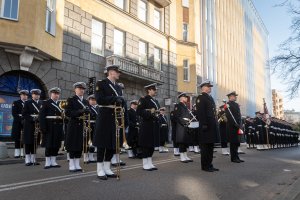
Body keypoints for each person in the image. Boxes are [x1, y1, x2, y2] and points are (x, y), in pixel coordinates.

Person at [94, 65, 127, 180]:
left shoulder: (118, 87)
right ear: (111, 72)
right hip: (104, 115)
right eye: (117, 72)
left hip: (115, 116)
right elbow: (99, 99)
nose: (119, 74)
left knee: (112, 144)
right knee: (102, 143)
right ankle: (99, 169)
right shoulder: (101, 83)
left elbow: (120, 101)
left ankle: (107, 168)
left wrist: (121, 102)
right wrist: (114, 99)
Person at [65, 82, 90, 172]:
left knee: (80, 145)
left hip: (82, 125)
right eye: (79, 89)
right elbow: (67, 113)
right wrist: (80, 111)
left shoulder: (86, 101)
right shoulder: (71, 99)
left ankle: (77, 164)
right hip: (74, 125)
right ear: (75, 89)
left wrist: (88, 112)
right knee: (73, 145)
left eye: (83, 89)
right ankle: (72, 164)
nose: (81, 90)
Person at [195, 80, 219, 172]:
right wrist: (204, 124)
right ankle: (205, 166)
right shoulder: (201, 97)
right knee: (205, 147)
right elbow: (201, 112)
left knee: (210, 146)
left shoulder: (210, 98)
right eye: (208, 86)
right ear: (203, 88)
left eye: (210, 87)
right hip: (205, 126)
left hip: (211, 125)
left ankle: (210, 164)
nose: (210, 88)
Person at [137, 83, 160, 171]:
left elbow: (156, 111)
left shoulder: (155, 101)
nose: (155, 91)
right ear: (149, 90)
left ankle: (150, 162)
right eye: (154, 90)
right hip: (146, 125)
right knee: (146, 145)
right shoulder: (144, 99)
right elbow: (139, 111)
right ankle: (145, 163)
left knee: (151, 145)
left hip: (154, 124)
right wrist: (149, 113)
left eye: (155, 90)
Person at [39, 87, 64, 169]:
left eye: (57, 94)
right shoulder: (46, 103)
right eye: (54, 93)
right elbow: (41, 116)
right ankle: (47, 162)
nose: (56, 95)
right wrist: (43, 127)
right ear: (51, 94)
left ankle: (53, 161)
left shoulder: (61, 104)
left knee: (56, 145)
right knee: (49, 144)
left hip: (58, 126)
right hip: (49, 126)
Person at [22, 89, 42, 166]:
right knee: (28, 142)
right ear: (32, 95)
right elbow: (24, 114)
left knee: (35, 141)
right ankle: (27, 160)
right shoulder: (28, 102)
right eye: (35, 94)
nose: (37, 96)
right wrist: (32, 119)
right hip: (29, 125)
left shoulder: (41, 103)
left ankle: (33, 159)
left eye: (38, 94)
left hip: (37, 125)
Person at [225, 91, 244, 163]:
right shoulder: (228, 105)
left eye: (235, 96)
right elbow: (229, 116)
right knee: (233, 142)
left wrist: (239, 123)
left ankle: (237, 156)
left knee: (237, 142)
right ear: (230, 97)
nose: (235, 97)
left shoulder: (236, 104)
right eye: (234, 96)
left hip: (237, 125)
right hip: (231, 126)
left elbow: (238, 115)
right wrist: (234, 123)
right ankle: (233, 158)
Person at [173, 92, 193, 163]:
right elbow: (177, 117)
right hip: (181, 126)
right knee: (182, 142)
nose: (186, 98)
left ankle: (185, 155)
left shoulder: (185, 106)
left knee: (185, 142)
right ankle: (182, 156)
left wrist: (190, 120)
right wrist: (184, 122)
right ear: (181, 98)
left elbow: (188, 116)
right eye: (185, 97)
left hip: (186, 126)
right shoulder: (178, 106)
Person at [11, 90, 29, 158]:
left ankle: (22, 152)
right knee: (17, 138)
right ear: (20, 95)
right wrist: (21, 119)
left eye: (26, 95)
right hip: (18, 123)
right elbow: (14, 114)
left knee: (24, 138)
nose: (25, 96)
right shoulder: (16, 103)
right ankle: (17, 153)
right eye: (23, 95)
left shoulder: (28, 103)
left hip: (26, 123)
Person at [84, 94, 98, 163]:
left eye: (94, 100)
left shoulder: (97, 108)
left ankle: (91, 156)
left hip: (95, 126)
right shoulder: (87, 107)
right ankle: (86, 157)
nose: (93, 101)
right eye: (92, 100)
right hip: (89, 125)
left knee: (93, 141)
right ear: (89, 100)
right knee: (87, 141)